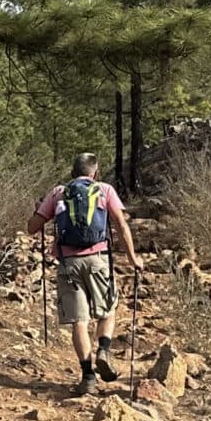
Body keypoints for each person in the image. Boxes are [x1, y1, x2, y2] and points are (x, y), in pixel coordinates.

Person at [28, 152, 140, 395]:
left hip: (68, 262)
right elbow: (120, 224)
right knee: (108, 310)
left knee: (80, 321)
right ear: (95, 172)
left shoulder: (58, 193)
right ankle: (104, 348)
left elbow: (32, 227)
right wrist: (133, 258)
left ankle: (88, 376)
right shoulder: (105, 190)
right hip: (98, 260)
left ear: (72, 172)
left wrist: (40, 210)